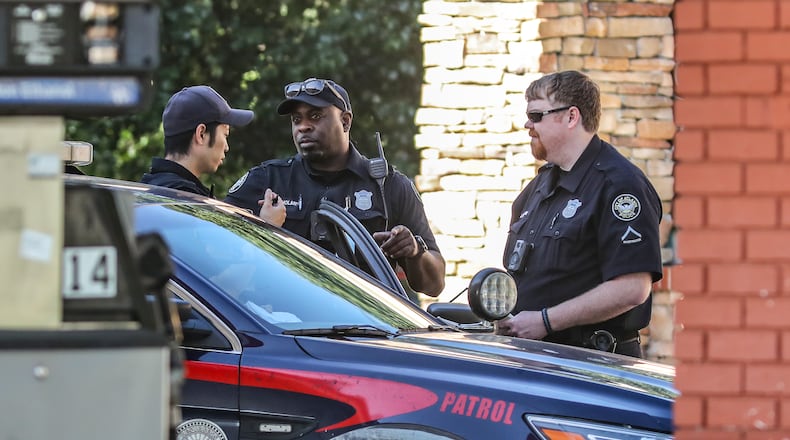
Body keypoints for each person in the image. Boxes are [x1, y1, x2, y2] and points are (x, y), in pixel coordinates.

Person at [225, 77, 445, 298]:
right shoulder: (267, 181)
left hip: (366, 326)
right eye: (296, 119)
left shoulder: (389, 186)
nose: (303, 126)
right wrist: (263, 232)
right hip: (280, 322)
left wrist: (415, 251)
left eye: (315, 116)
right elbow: (215, 254)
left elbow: (434, 285)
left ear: (346, 121)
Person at [495, 70, 663, 357]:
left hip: (593, 366)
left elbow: (633, 288)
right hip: (537, 360)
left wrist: (545, 321)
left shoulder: (619, 185)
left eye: (537, 116)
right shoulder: (539, 187)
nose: (527, 125)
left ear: (572, 117)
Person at [141, 85, 255, 198]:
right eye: (225, 135)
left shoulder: (145, 190)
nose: (226, 147)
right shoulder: (184, 200)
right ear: (201, 134)